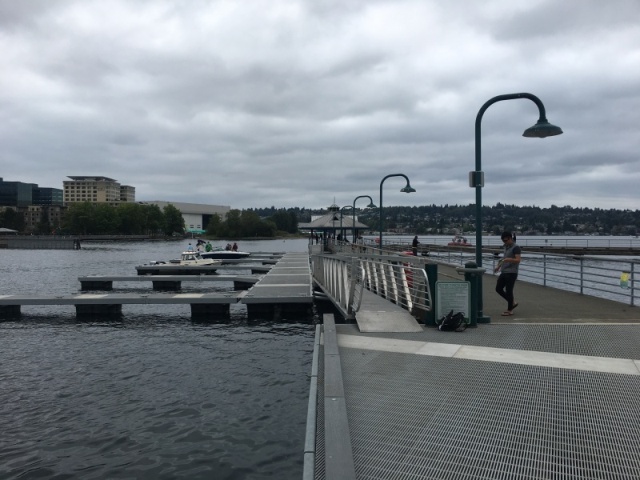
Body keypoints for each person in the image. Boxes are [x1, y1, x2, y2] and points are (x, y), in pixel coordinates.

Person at [494, 231, 521, 316]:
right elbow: (503, 258)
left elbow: (518, 260)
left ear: (510, 238)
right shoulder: (506, 247)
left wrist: (508, 259)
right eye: (503, 241)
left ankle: (510, 310)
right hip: (504, 271)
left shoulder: (516, 247)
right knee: (498, 288)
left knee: (509, 290)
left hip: (512, 272)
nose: (504, 242)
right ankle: (512, 302)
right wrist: (498, 266)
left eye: (506, 240)